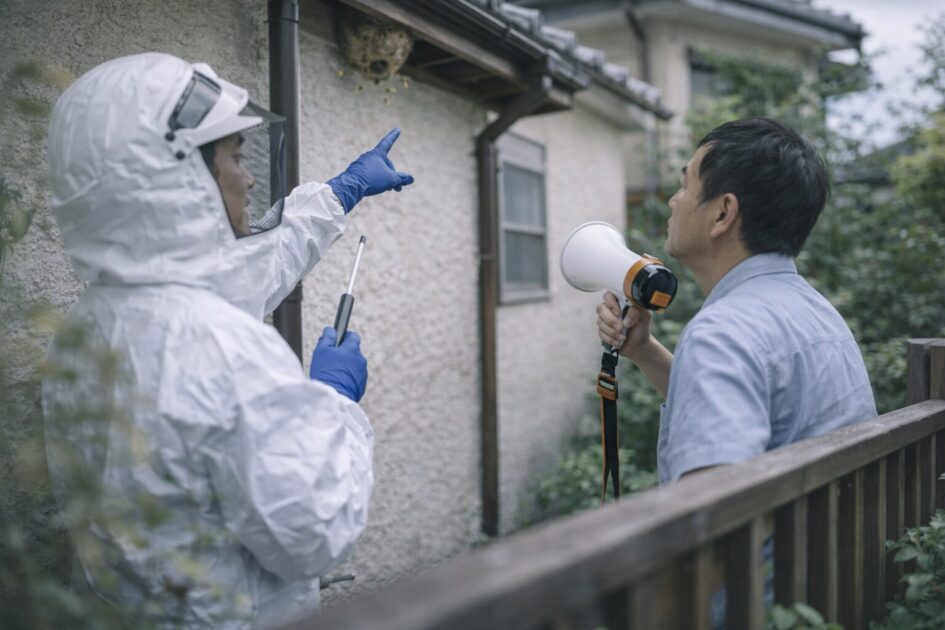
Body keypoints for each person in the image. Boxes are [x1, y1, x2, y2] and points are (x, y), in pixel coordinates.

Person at [41, 52, 413, 628]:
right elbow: (316, 531)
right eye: (235, 158)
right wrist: (335, 403)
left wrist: (343, 191)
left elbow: (243, 271)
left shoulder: (86, 326)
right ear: (174, 177)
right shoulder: (221, 348)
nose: (249, 177)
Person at [597, 117, 876, 485]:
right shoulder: (820, 313)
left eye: (685, 185)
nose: (673, 200)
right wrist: (644, 350)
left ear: (723, 213)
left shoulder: (721, 333)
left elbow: (713, 506)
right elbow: (736, 401)